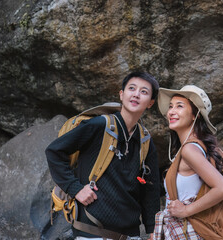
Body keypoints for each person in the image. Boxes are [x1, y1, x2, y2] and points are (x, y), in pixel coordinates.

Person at [45, 72, 161, 240]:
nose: (136, 94)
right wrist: (75, 189)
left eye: (144, 91)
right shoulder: (99, 126)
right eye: (131, 88)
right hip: (91, 231)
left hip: (130, 235)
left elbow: (151, 189)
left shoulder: (145, 141)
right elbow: (54, 151)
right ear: (122, 95)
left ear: (150, 103)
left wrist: (152, 230)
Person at [153, 85, 223, 239]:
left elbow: (222, 188)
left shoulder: (190, 150)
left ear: (195, 115)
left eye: (179, 106)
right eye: (170, 106)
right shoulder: (197, 147)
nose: (171, 111)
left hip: (189, 231)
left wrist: (185, 211)